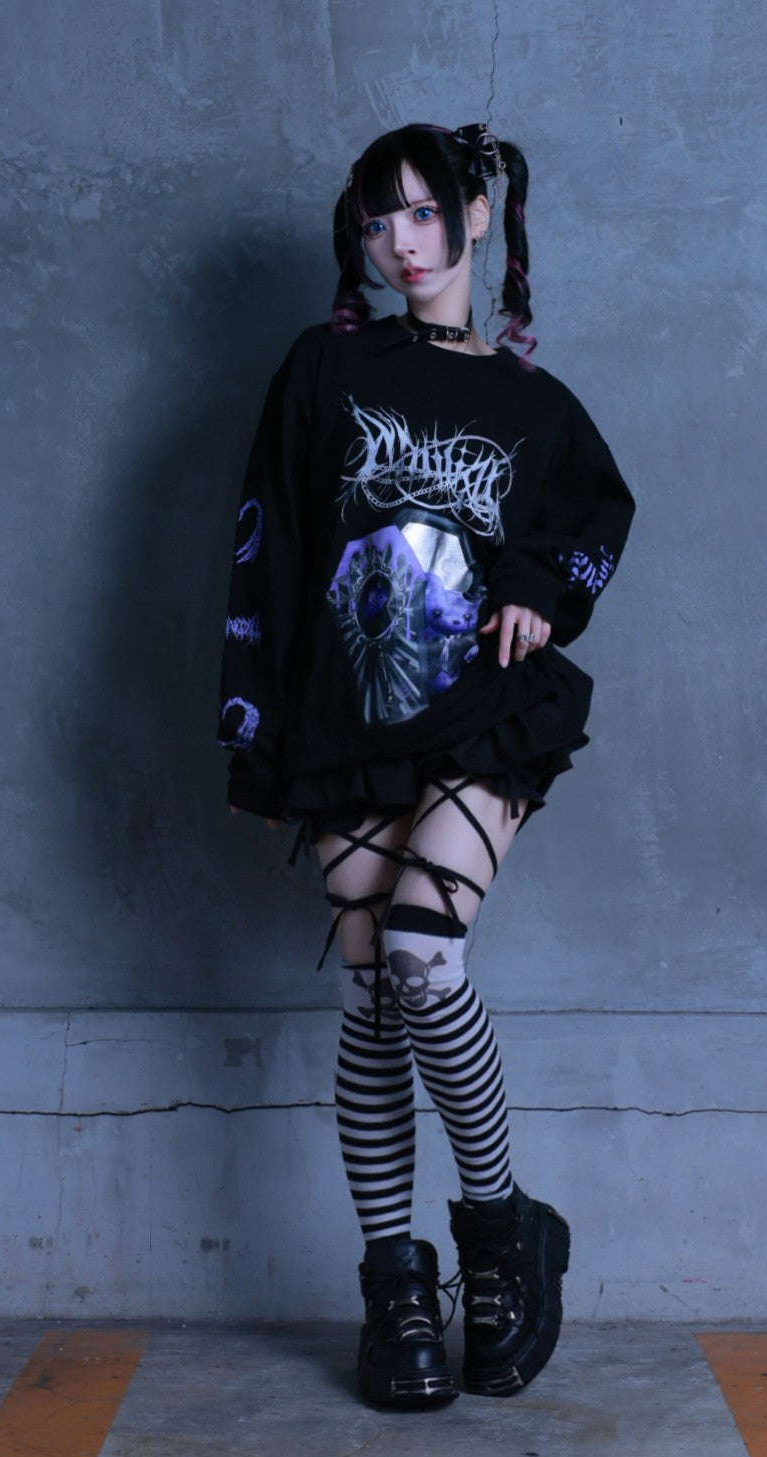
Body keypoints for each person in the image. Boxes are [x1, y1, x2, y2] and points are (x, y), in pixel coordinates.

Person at [219, 122, 634, 1407]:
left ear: (474, 215)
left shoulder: (533, 405)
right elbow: (267, 548)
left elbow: (596, 517)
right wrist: (256, 734)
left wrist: (538, 592)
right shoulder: (323, 369)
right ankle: (395, 1288)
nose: (397, 242)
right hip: (344, 711)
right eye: (373, 219)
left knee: (421, 955)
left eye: (417, 212)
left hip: (479, 710)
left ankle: (502, 1233)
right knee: (371, 1001)